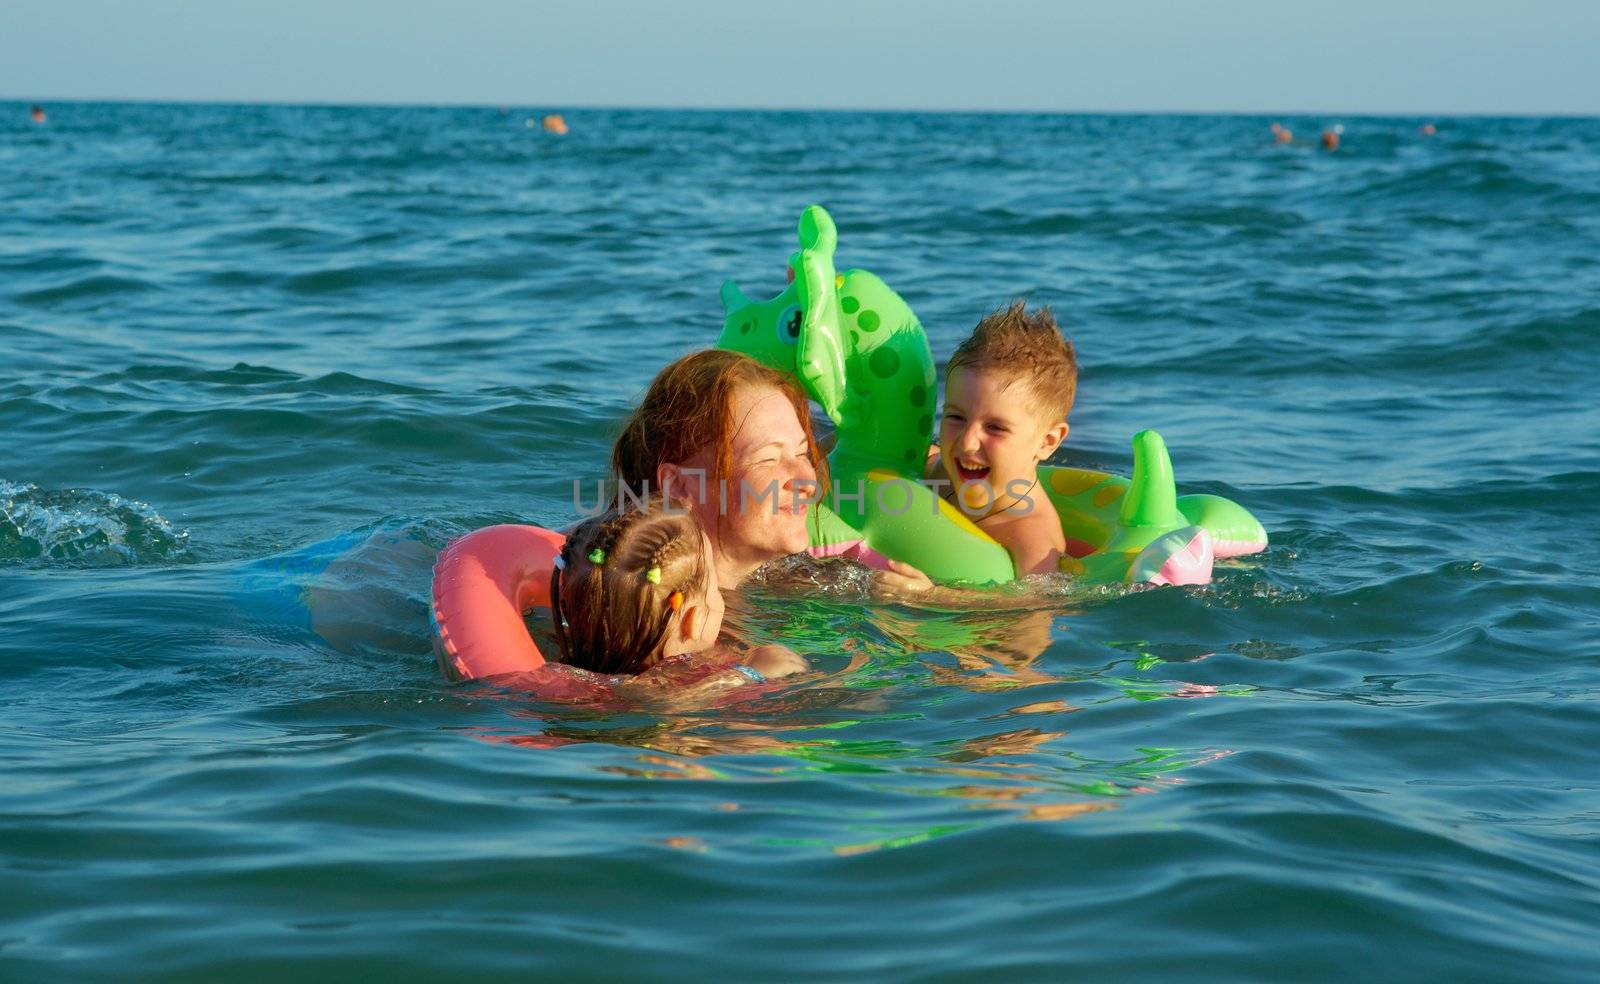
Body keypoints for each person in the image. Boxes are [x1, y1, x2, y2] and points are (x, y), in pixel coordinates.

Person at [551, 497, 806, 682]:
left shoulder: (567, 665)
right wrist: (750, 674)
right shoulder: (656, 686)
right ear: (691, 620)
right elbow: (672, 703)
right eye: (713, 588)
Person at [928, 301, 1076, 578]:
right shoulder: (940, 473)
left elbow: (1033, 611)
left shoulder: (1030, 536)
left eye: (995, 427)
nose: (967, 443)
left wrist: (926, 595)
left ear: (1048, 441)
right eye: (956, 418)